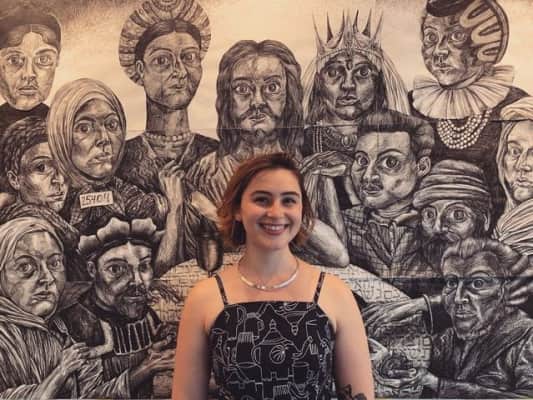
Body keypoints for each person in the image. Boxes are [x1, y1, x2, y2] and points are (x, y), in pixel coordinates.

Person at [172, 153, 374, 400]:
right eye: (262, 199)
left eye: (289, 200)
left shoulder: (335, 293)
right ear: (237, 209)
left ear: (301, 210)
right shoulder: (204, 297)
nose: (276, 212)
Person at [410, 0, 528, 224]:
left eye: (456, 36)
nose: (439, 51)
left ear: (490, 41)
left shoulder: (515, 106)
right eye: (431, 37)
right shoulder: (411, 105)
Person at [0, 217, 130, 399]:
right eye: (25, 266)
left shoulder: (59, 331)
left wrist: (147, 367)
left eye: (54, 263)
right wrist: (61, 371)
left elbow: (90, 395)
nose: (48, 278)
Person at [398, 239, 533, 398]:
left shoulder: (527, 337)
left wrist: (438, 385)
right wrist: (387, 358)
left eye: (478, 283)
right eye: (451, 282)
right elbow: (413, 358)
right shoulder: (448, 339)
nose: (458, 298)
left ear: (504, 290)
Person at [46, 78, 181, 235]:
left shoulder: (126, 193)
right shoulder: (47, 200)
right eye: (84, 128)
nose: (104, 138)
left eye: (112, 125)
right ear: (60, 137)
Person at [60, 217, 176, 399]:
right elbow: (88, 396)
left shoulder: (142, 311)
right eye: (116, 269)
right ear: (92, 270)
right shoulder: (78, 323)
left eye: (144, 266)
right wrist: (147, 368)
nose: (137, 281)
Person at [187, 39, 304, 207]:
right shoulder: (205, 174)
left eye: (272, 87)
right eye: (242, 89)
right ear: (227, 98)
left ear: (289, 95)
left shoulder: (305, 170)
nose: (257, 102)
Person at [117, 0, 218, 194]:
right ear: (140, 70)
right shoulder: (118, 159)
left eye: (189, 57)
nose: (180, 71)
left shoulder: (218, 154)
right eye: (162, 60)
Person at [0, 116, 85, 279]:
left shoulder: (71, 216)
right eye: (41, 167)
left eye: (64, 166)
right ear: (15, 179)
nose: (59, 179)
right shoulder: (13, 233)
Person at [0, 2, 60, 137]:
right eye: (14, 60)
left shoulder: (67, 130)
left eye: (43, 60)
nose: (29, 74)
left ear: (57, 61)